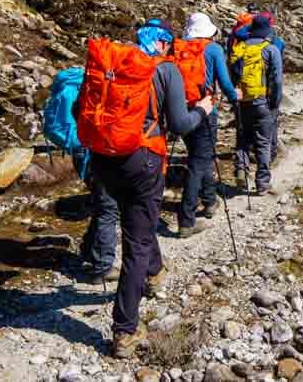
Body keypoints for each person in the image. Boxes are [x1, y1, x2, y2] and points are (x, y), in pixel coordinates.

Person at [77, 20, 213, 359]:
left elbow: (77, 110)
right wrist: (203, 110)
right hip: (143, 160)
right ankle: (125, 330)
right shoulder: (166, 70)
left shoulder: (112, 64)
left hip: (103, 159)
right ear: (165, 44)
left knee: (137, 220)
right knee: (137, 238)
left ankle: (155, 272)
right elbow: (181, 125)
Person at [173, 12, 241, 238]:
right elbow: (224, 80)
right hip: (204, 109)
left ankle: (210, 201)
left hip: (181, 110)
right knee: (198, 161)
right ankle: (186, 220)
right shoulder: (213, 49)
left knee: (199, 156)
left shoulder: (178, 48)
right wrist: (234, 97)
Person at [229, 14, 283, 194]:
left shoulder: (240, 48)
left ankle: (241, 172)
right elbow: (276, 80)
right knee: (263, 142)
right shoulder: (271, 49)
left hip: (241, 101)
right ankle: (262, 183)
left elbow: (232, 75)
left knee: (242, 139)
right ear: (267, 30)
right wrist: (274, 103)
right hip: (262, 102)